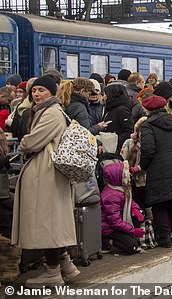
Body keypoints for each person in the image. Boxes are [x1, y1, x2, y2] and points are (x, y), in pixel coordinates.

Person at [12, 75, 79, 286]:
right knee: (53, 222)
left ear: (51, 92)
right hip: (49, 174)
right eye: (34, 91)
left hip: (46, 174)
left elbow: (32, 142)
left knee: (47, 224)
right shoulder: (50, 111)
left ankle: (52, 274)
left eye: (41, 90)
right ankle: (66, 265)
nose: (36, 94)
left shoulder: (50, 113)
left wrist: (22, 143)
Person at [139, 95, 172, 248]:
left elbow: (147, 149)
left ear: (148, 109)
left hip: (157, 168)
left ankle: (164, 237)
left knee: (158, 203)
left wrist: (144, 166)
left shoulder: (148, 126)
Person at [100, 162, 144, 254]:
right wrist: (132, 231)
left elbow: (128, 201)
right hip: (108, 229)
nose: (129, 175)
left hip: (116, 225)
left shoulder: (118, 189)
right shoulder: (111, 196)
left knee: (134, 239)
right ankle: (108, 242)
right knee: (132, 246)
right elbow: (114, 221)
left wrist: (135, 209)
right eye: (126, 173)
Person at [103, 84, 134, 154]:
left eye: (105, 94)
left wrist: (114, 140)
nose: (103, 97)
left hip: (117, 149)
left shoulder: (122, 110)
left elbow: (129, 131)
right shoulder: (110, 108)